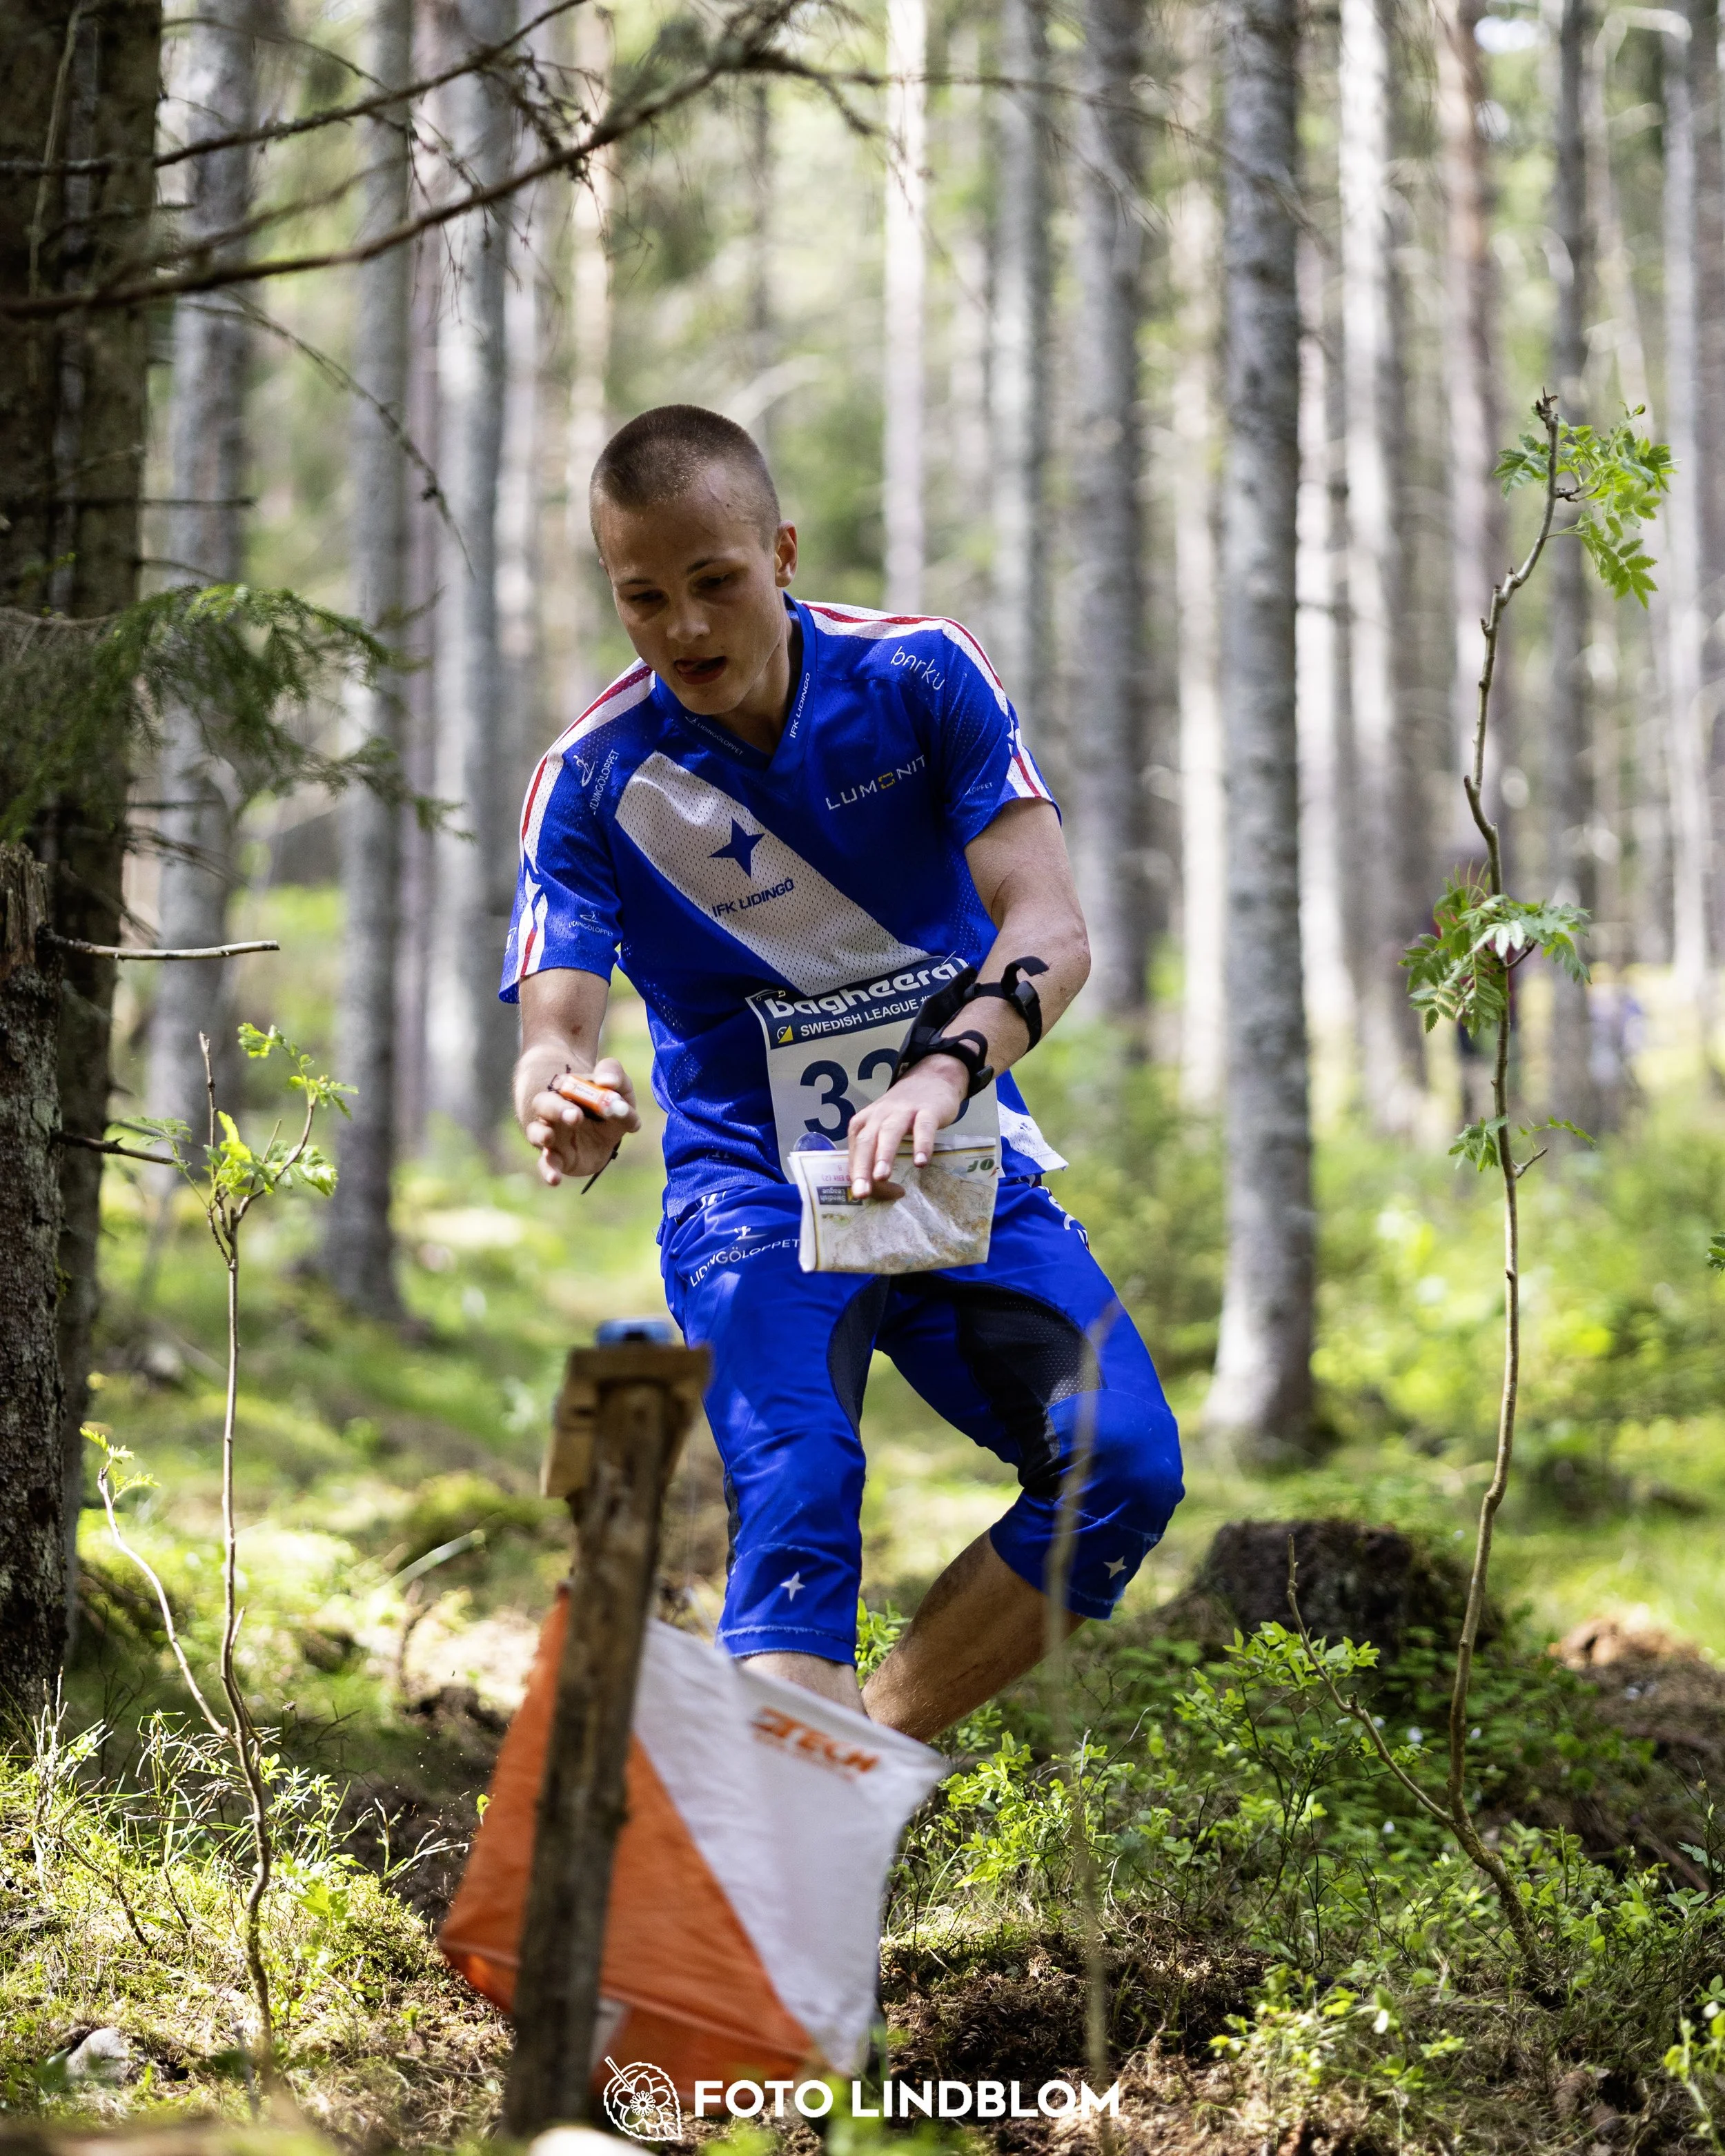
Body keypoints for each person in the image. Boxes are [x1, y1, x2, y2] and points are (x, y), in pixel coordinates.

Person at [504, 404, 1183, 1743]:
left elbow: (1047, 927)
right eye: (643, 598)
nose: (685, 628)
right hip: (750, 1193)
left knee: (1120, 1467)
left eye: (716, 582)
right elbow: (556, 1013)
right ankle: (787, 1839)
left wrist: (939, 1072)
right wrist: (556, 1087)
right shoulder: (588, 779)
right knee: (801, 1498)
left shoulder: (919, 676)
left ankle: (853, 1753)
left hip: (947, 1148)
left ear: (782, 553)